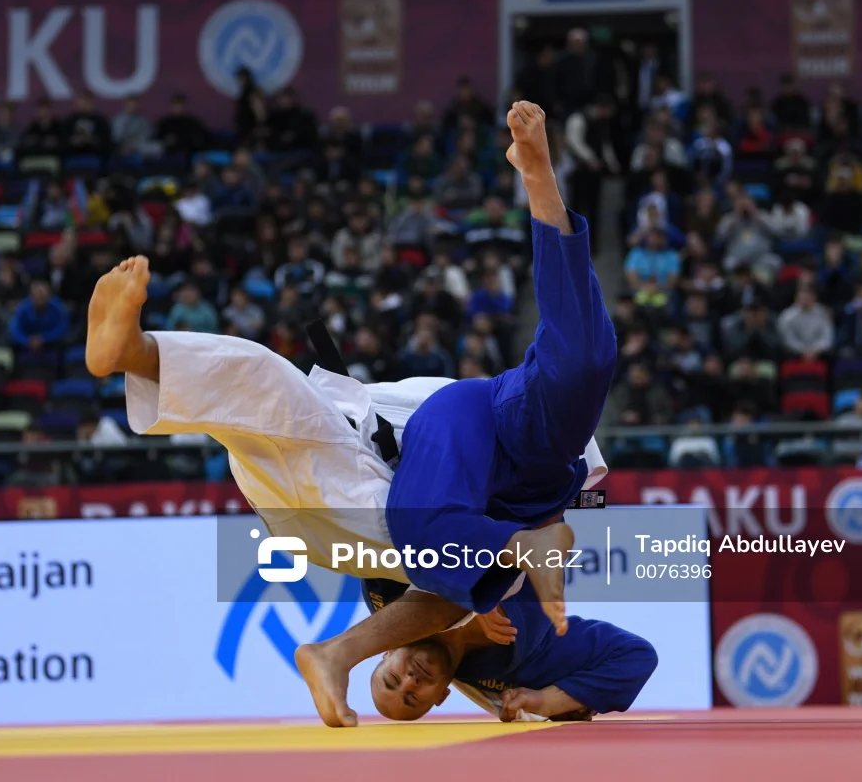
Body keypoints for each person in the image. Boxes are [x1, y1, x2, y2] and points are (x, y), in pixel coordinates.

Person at [85, 101, 615, 728]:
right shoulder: (502, 431)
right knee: (267, 376)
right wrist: (539, 178)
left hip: (351, 501)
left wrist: (508, 641)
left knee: (448, 558)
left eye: (396, 684)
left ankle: (337, 652)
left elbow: (473, 582)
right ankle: (135, 352)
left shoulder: (437, 602)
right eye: (412, 691)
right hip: (362, 443)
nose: (411, 681)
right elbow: (562, 497)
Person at [361, 577, 657, 723]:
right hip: (537, 496)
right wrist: (548, 701)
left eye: (393, 679)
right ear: (441, 696)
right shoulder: (521, 665)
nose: (410, 681)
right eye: (413, 697)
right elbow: (635, 656)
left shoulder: (386, 600)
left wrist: (469, 590)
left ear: (387, 652)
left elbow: (390, 526)